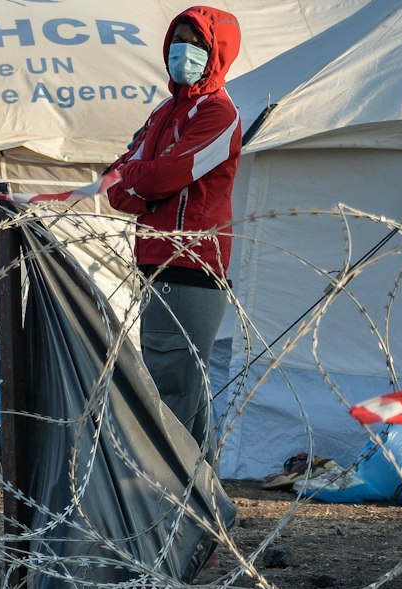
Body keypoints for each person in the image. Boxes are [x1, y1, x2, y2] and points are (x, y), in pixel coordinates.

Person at [106, 5, 242, 450]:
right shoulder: (164, 113)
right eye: (178, 40)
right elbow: (117, 186)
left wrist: (145, 178)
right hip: (155, 261)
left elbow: (163, 176)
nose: (183, 50)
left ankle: (180, 502)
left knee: (175, 392)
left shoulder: (218, 115)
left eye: (197, 43)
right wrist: (146, 179)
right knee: (179, 391)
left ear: (217, 52)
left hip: (190, 262)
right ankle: (200, 505)